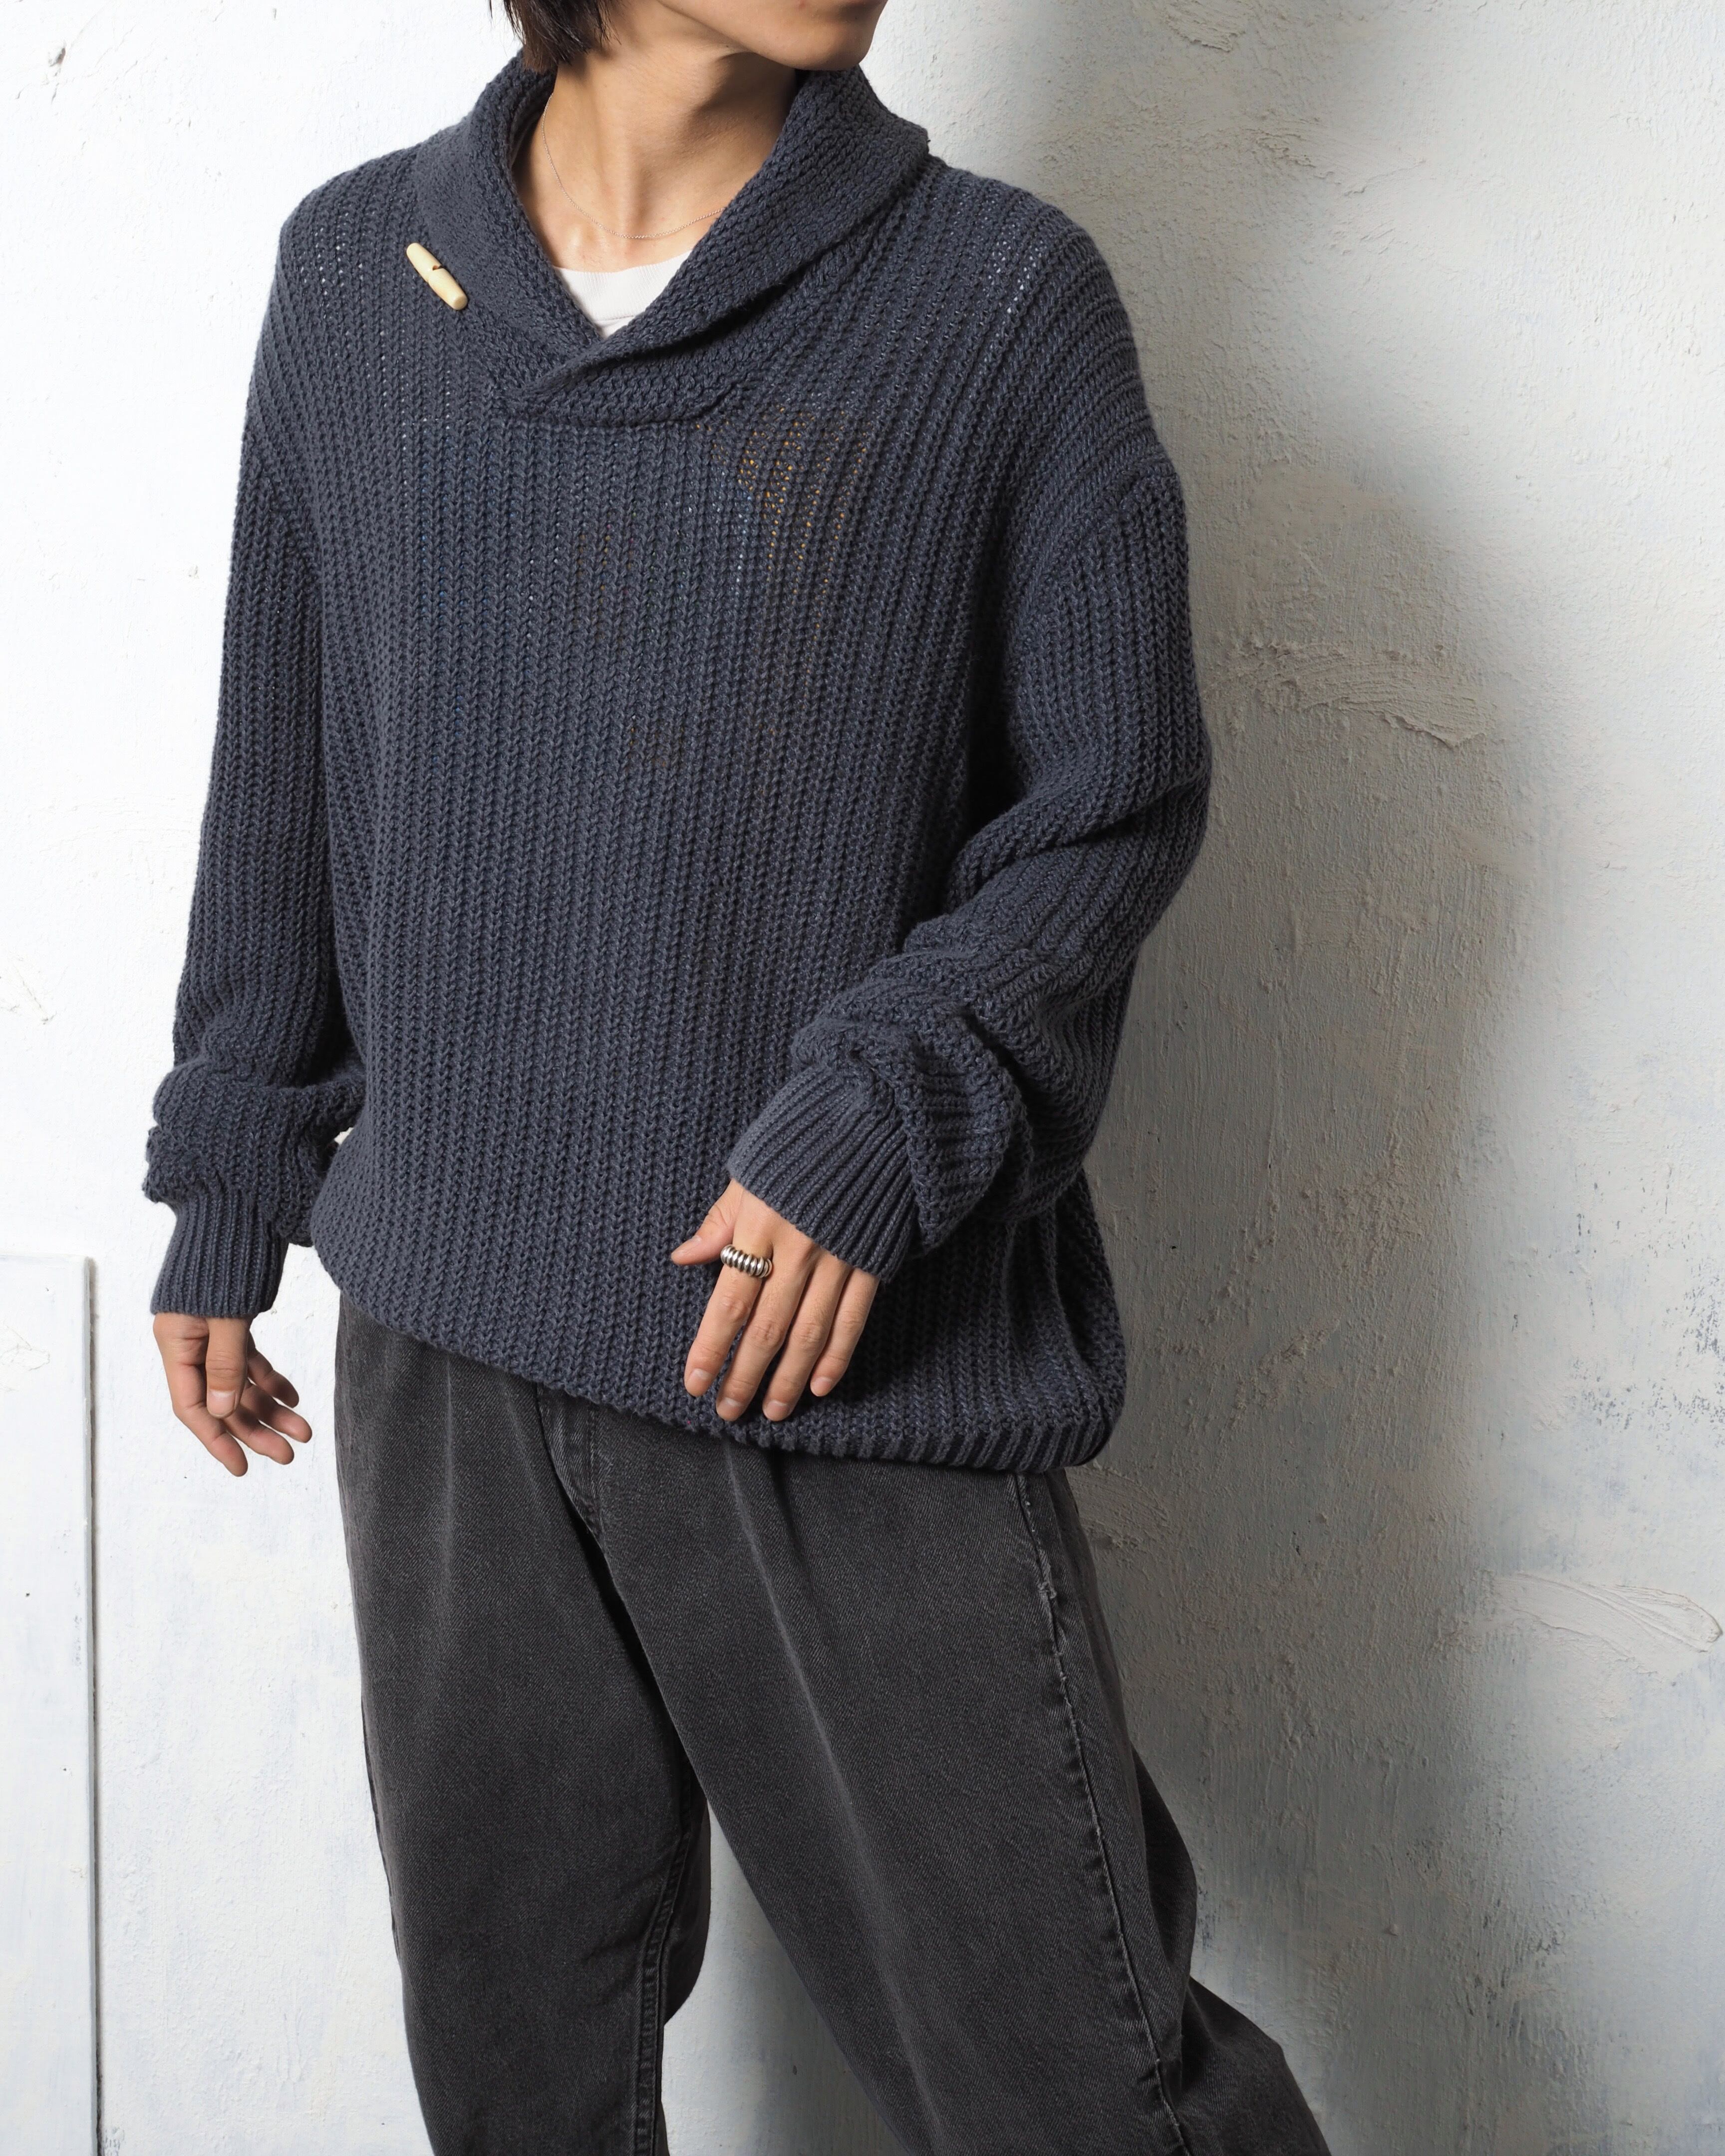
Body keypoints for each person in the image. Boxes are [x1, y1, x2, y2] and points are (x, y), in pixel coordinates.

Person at [143, 1, 1332, 2149]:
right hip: (448, 1349)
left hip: (831, 1348)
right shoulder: (355, 278)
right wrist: (231, 1170)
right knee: (518, 2080)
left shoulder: (994, 300)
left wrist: (885, 1122)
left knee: (1077, 2091)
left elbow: (1111, 807)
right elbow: (290, 766)